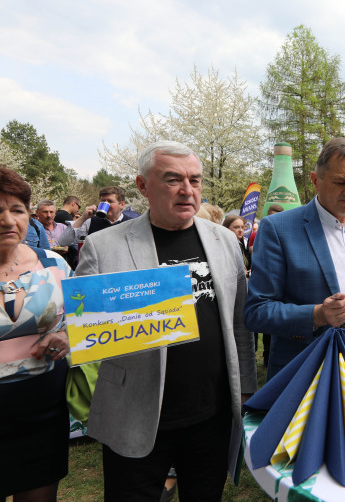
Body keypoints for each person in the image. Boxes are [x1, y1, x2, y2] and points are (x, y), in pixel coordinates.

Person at [76, 140, 258, 501]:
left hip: (211, 414)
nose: (187, 191)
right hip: (136, 411)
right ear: (143, 186)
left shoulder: (224, 241)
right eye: (173, 180)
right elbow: (85, 324)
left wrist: (246, 387)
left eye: (195, 180)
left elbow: (239, 324)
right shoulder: (102, 245)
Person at [245, 138, 345, 380]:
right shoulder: (278, 229)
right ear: (315, 181)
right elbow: (257, 312)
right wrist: (318, 315)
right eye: (341, 182)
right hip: (307, 376)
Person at [0, 167, 72, 501]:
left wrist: (68, 338)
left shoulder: (54, 264)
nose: (7, 220)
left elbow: (85, 322)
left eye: (16, 209)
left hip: (42, 415)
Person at [58, 186, 133, 246]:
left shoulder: (131, 223)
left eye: (110, 201)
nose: (106, 204)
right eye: (102, 201)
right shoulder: (90, 221)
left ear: (122, 205)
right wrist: (83, 218)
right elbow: (63, 242)